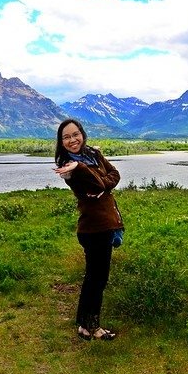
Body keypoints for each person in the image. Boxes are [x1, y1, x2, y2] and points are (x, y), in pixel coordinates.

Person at [54, 118, 124, 341]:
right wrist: (82, 168)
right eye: (66, 137)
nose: (72, 140)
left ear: (82, 134)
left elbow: (115, 175)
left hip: (103, 225)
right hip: (94, 228)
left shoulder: (93, 154)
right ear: (61, 142)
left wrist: (92, 171)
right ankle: (93, 327)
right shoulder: (69, 167)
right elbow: (99, 185)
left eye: (75, 134)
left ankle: (84, 326)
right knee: (98, 279)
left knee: (93, 279)